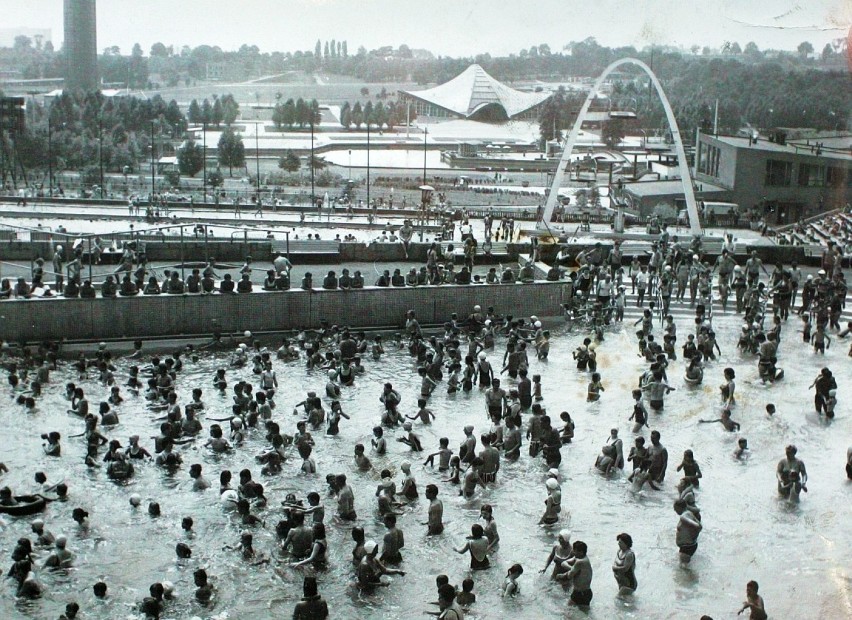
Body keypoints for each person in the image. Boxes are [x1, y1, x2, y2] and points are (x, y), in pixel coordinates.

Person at [564, 540, 593, 607]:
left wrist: (560, 576)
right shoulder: (585, 558)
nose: (573, 552)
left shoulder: (580, 562)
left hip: (579, 593)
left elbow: (569, 576)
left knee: (567, 613)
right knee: (585, 614)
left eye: (575, 551)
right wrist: (572, 568)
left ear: (581, 552)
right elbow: (564, 563)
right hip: (587, 593)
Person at [674, 499, 702, 564]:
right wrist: (693, 537)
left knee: (684, 569)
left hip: (687, 547)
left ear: (679, 507)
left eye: (675, 508)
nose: (674, 510)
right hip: (690, 545)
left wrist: (692, 536)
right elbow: (700, 526)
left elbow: (697, 526)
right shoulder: (689, 513)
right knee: (684, 568)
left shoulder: (683, 517)